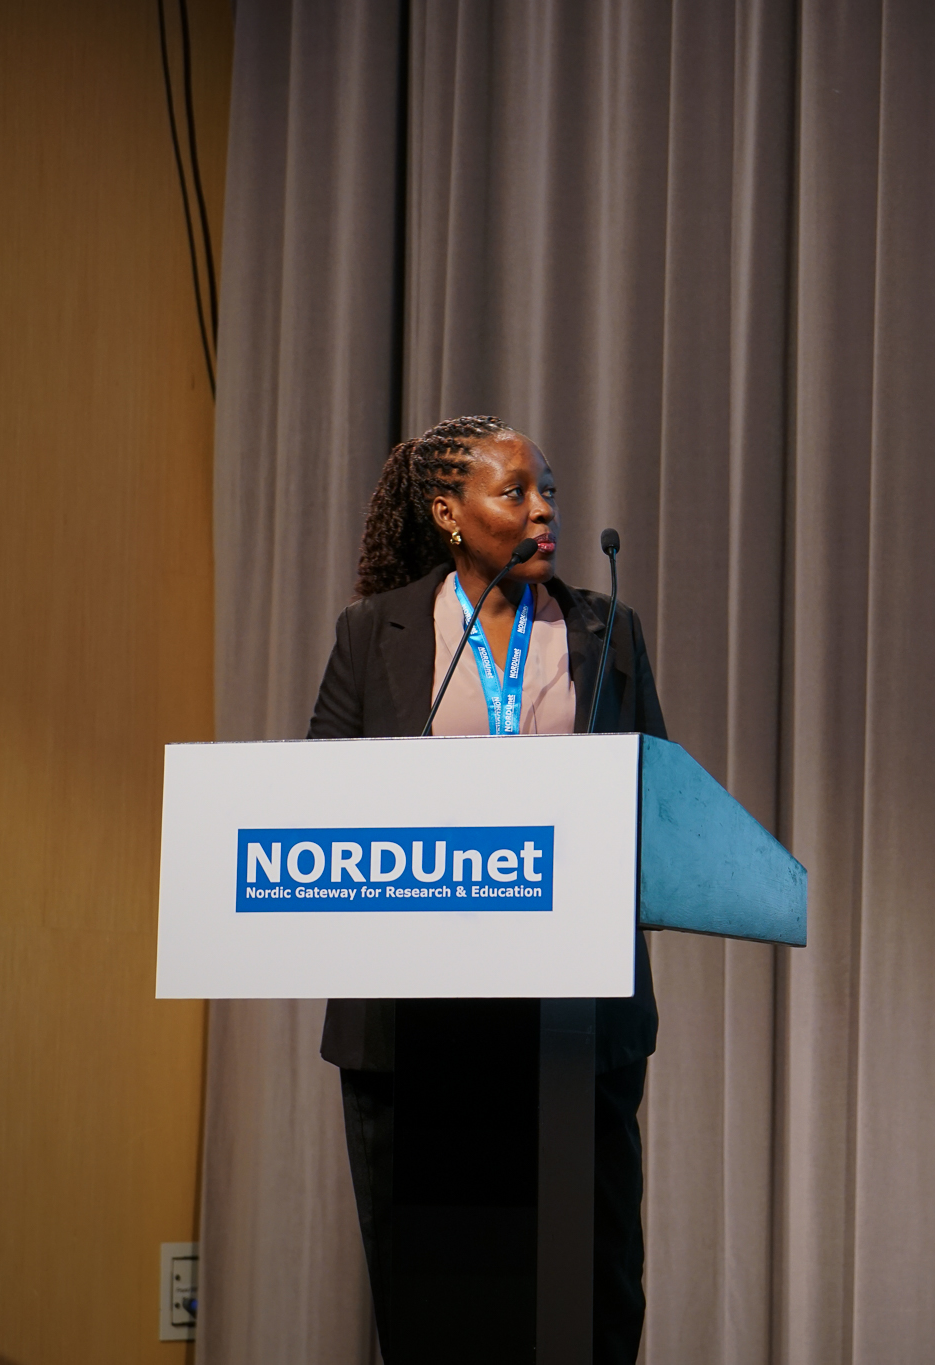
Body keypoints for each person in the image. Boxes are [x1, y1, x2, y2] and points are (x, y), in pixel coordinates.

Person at [307, 415, 662, 1363]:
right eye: (516, 492)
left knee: (587, 1304)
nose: (545, 512)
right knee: (439, 1309)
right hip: (417, 1028)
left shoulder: (604, 631)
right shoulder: (374, 633)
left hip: (568, 1024)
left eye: (549, 492)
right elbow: (318, 800)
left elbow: (658, 805)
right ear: (448, 513)